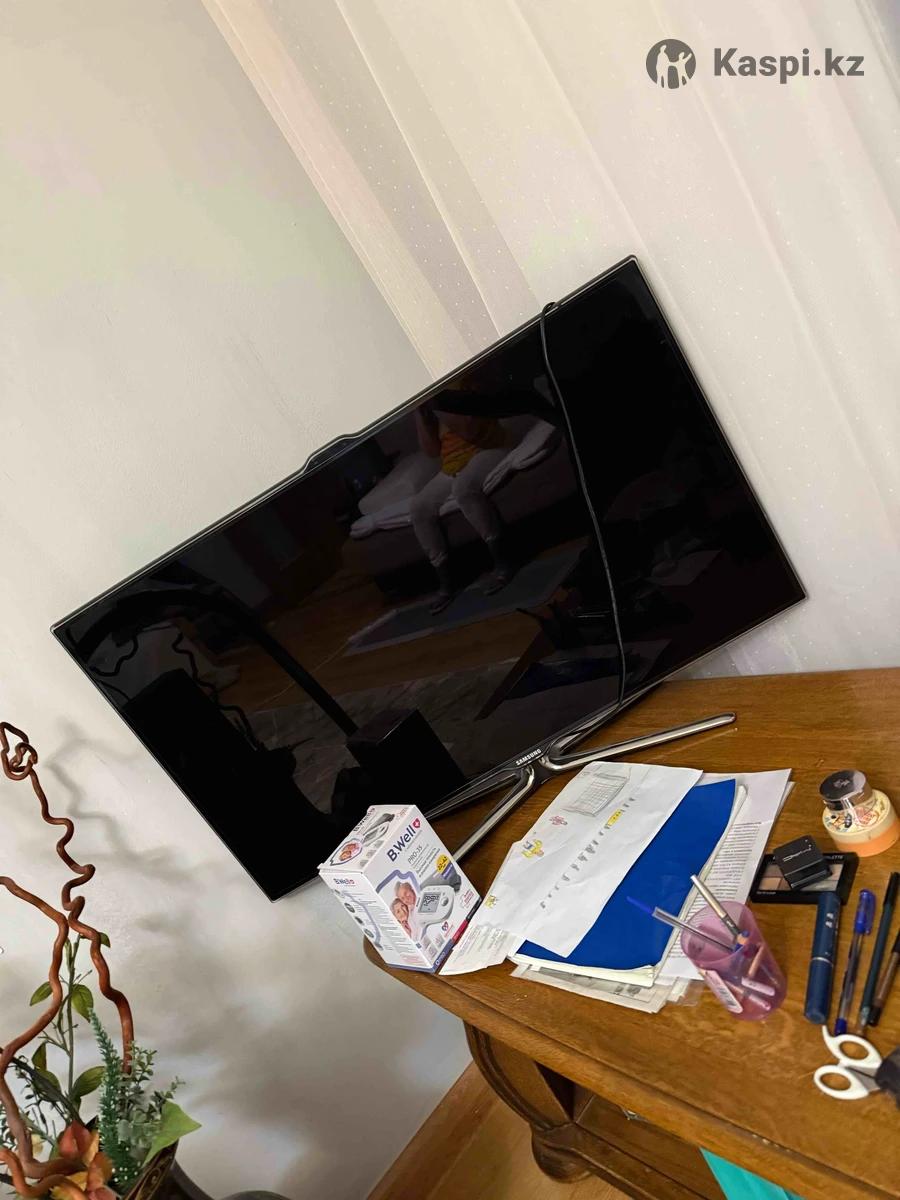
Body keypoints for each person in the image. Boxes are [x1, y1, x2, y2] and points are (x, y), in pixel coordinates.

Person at [410, 404, 515, 613]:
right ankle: (447, 581)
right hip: (452, 466)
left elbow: (469, 430)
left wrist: (436, 402)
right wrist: (418, 413)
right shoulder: (427, 404)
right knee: (419, 508)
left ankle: (503, 560)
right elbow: (432, 451)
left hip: (488, 448)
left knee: (463, 488)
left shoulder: (454, 390)